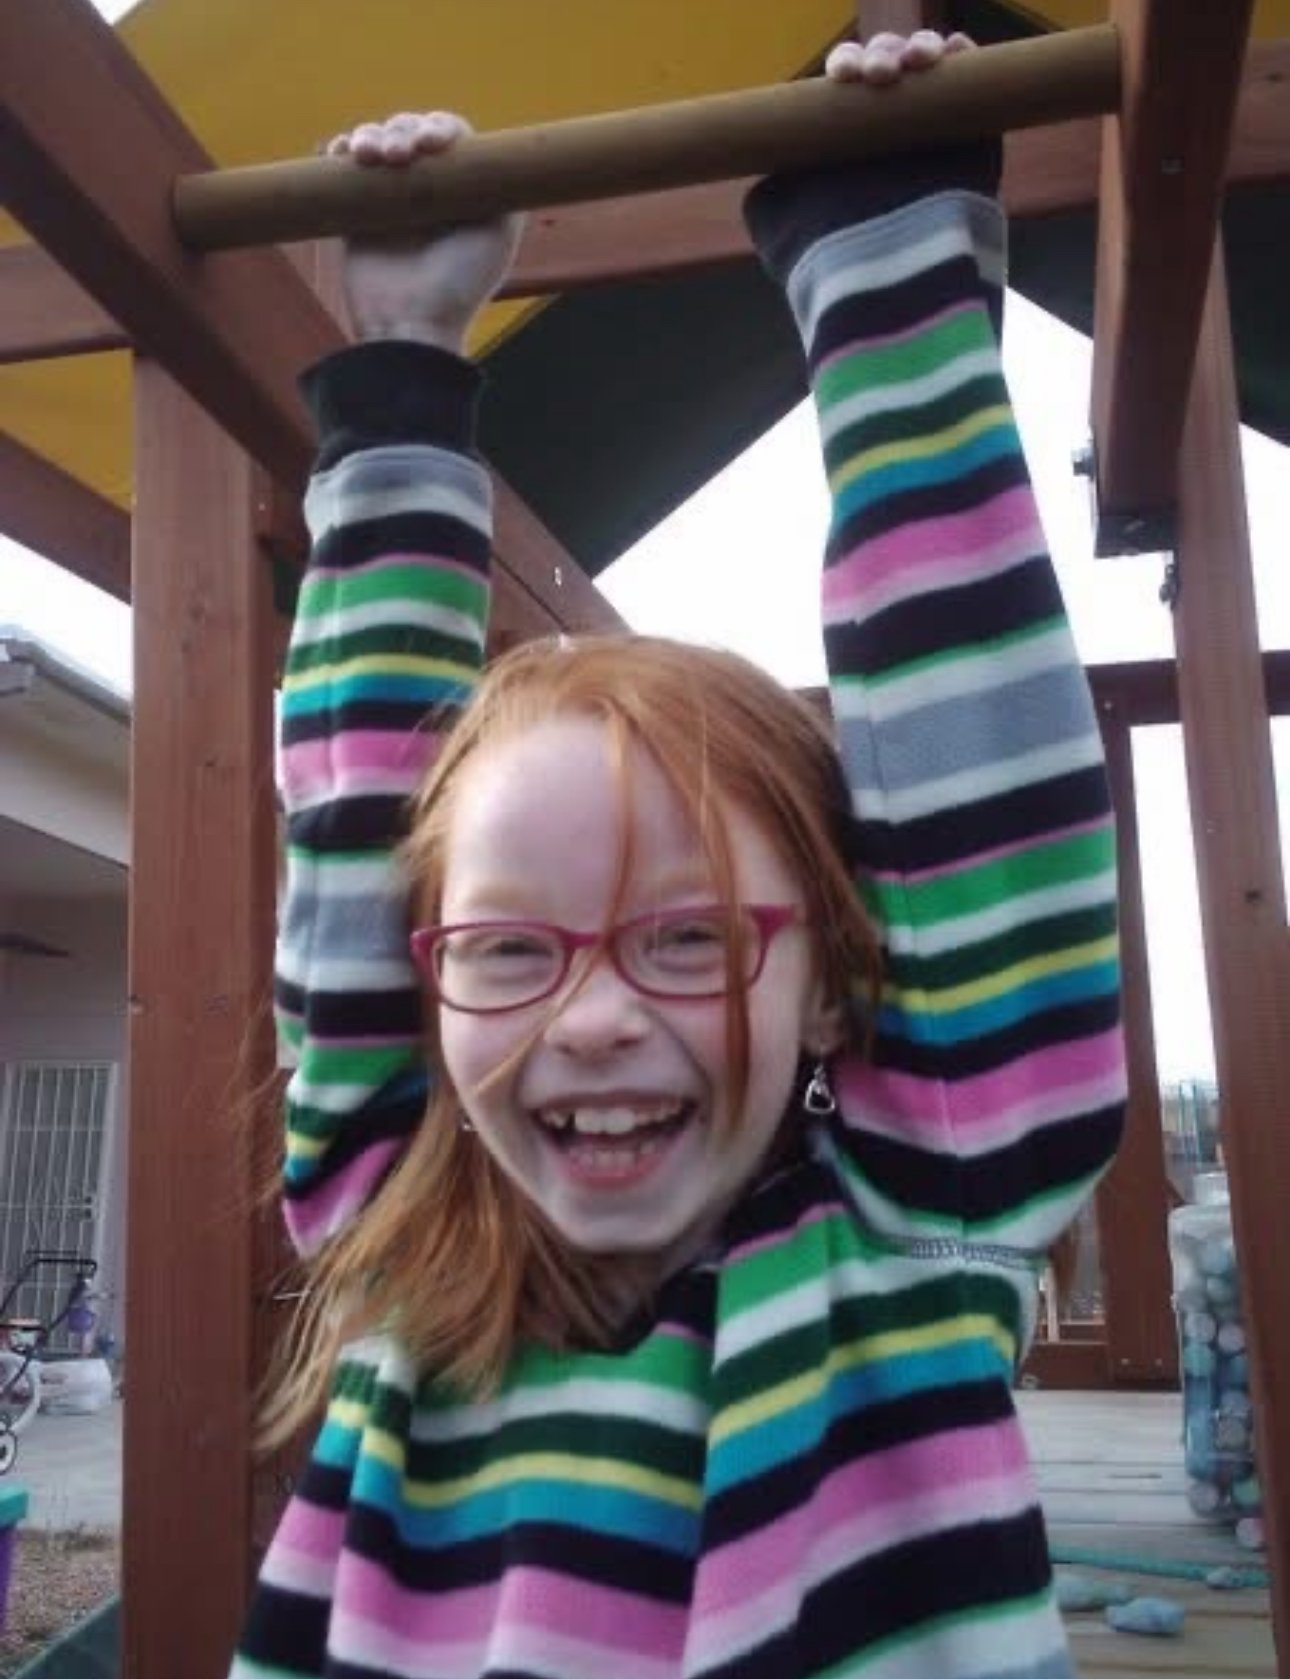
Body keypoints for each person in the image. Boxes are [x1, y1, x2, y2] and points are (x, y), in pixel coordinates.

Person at [234, 29, 1125, 1679]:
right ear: (420, 988)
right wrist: (403, 351)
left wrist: (885, 275)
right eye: (508, 947)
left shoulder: (908, 1237)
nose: (585, 1019)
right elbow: (363, 825)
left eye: (691, 937)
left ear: (842, 984)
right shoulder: (407, 1236)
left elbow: (979, 773)